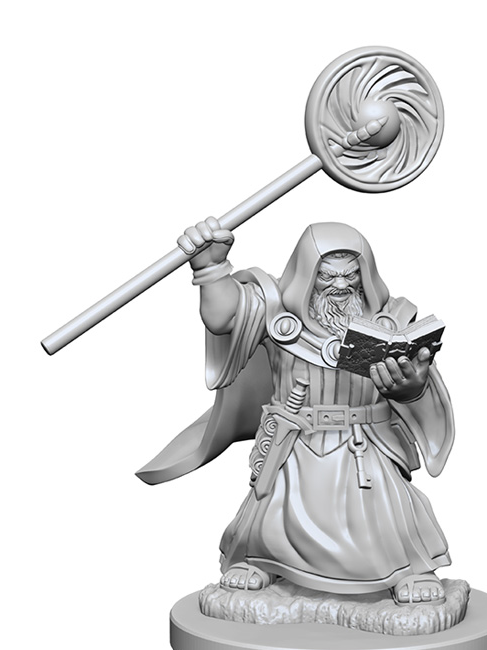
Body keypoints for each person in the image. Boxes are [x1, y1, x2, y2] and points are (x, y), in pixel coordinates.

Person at [138, 221, 455, 605]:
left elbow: (421, 388)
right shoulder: (276, 313)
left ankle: (408, 570)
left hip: (365, 445)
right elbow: (224, 317)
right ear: (307, 273)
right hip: (295, 443)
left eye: (351, 275)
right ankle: (260, 562)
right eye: (327, 276)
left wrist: (410, 387)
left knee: (389, 516)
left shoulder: (393, 319)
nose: (341, 286)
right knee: (273, 516)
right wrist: (211, 268)